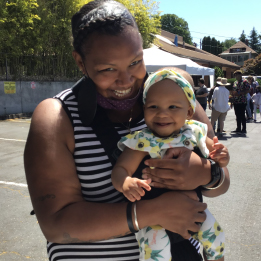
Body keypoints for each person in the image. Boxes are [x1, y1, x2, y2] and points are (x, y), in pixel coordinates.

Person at [23, 1, 230, 260]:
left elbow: (222, 183)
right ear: (80, 61)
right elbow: (55, 224)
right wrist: (149, 212)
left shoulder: (174, 96)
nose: (126, 80)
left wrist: (206, 172)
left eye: (135, 62)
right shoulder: (56, 117)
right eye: (107, 69)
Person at [112, 68, 229, 261]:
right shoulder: (143, 141)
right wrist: (125, 183)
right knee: (157, 251)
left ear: (189, 111)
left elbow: (216, 155)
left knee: (216, 238)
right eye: (153, 107)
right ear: (144, 109)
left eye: (173, 107)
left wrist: (222, 156)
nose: (162, 114)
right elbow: (121, 170)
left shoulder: (194, 133)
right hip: (152, 214)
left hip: (193, 209)